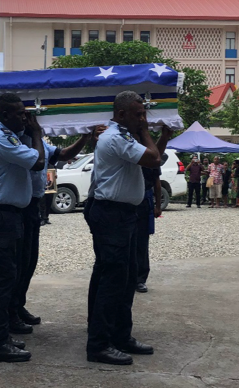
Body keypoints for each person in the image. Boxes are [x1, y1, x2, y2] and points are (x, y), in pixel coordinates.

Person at [87, 91, 161, 365]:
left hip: (124, 214)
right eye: (138, 114)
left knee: (127, 278)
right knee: (112, 280)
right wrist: (145, 131)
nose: (143, 119)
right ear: (121, 115)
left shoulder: (123, 136)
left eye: (144, 114)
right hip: (112, 214)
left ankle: (120, 335)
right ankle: (99, 344)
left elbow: (154, 157)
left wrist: (142, 131)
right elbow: (153, 159)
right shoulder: (115, 137)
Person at [0, 93, 45, 363]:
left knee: (5, 279)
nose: (26, 118)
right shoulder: (0, 138)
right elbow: (38, 161)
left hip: (4, 215)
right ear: (5, 115)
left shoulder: (5, 135)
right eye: (20, 114)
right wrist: (36, 132)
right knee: (3, 281)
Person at [11, 126, 96, 333]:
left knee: (30, 260)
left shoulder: (38, 142)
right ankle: (9, 311)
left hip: (33, 206)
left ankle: (17, 305)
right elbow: (37, 162)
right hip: (19, 206)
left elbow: (64, 154)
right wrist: (37, 135)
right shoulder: (18, 141)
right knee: (18, 261)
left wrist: (84, 137)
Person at [136, 129, 171, 293]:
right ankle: (129, 276)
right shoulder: (129, 153)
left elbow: (157, 182)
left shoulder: (150, 159)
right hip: (129, 199)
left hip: (145, 198)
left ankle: (140, 279)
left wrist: (157, 205)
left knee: (142, 241)